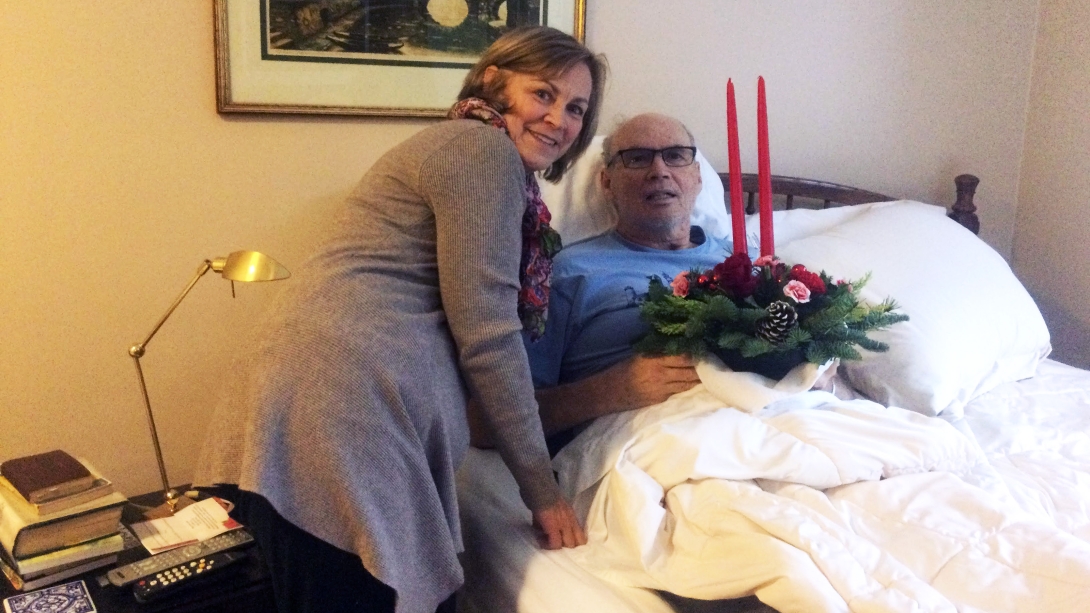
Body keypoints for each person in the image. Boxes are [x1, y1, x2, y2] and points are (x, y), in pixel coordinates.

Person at [193, 26, 607, 613]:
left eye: (576, 108)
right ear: (492, 83)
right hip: (342, 408)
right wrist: (543, 492)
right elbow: (488, 334)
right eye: (543, 94)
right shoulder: (480, 149)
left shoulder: (467, 153)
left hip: (319, 399)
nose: (559, 120)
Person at [470, 113, 845, 453]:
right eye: (637, 158)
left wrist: (816, 376)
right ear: (606, 182)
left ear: (697, 176)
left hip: (784, 429)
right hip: (654, 447)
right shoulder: (567, 273)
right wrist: (606, 392)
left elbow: (821, 379)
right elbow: (485, 423)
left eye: (676, 155)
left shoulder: (754, 267)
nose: (659, 171)